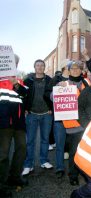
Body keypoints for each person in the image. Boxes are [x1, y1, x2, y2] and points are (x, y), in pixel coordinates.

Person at [57, 61, 91, 185]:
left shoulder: (87, 82)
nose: (76, 70)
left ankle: (87, 174)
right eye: (73, 68)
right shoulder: (63, 83)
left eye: (78, 68)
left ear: (81, 70)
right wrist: (59, 89)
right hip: (72, 125)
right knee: (73, 152)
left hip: (86, 123)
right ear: (69, 70)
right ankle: (73, 176)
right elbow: (52, 97)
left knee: (87, 151)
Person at [0, 54, 28, 197]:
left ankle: (14, 177)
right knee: (2, 155)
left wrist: (16, 84)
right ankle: (1, 185)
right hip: (3, 123)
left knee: (22, 149)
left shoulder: (20, 81)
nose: (14, 64)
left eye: (16, 62)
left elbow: (26, 96)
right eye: (12, 61)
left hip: (19, 124)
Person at [22, 59, 53, 175]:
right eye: (37, 65)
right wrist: (25, 108)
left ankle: (44, 161)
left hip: (46, 114)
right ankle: (28, 164)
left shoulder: (50, 80)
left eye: (42, 65)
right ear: (34, 67)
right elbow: (23, 96)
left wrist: (52, 108)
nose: (40, 67)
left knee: (45, 140)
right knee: (30, 141)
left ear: (44, 67)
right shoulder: (28, 80)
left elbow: (54, 95)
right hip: (31, 114)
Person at [46, 59, 70, 178]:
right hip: (60, 119)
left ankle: (74, 168)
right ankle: (60, 167)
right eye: (69, 66)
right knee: (60, 145)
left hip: (74, 120)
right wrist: (57, 89)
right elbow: (50, 96)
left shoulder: (77, 80)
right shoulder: (55, 80)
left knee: (74, 145)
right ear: (64, 67)